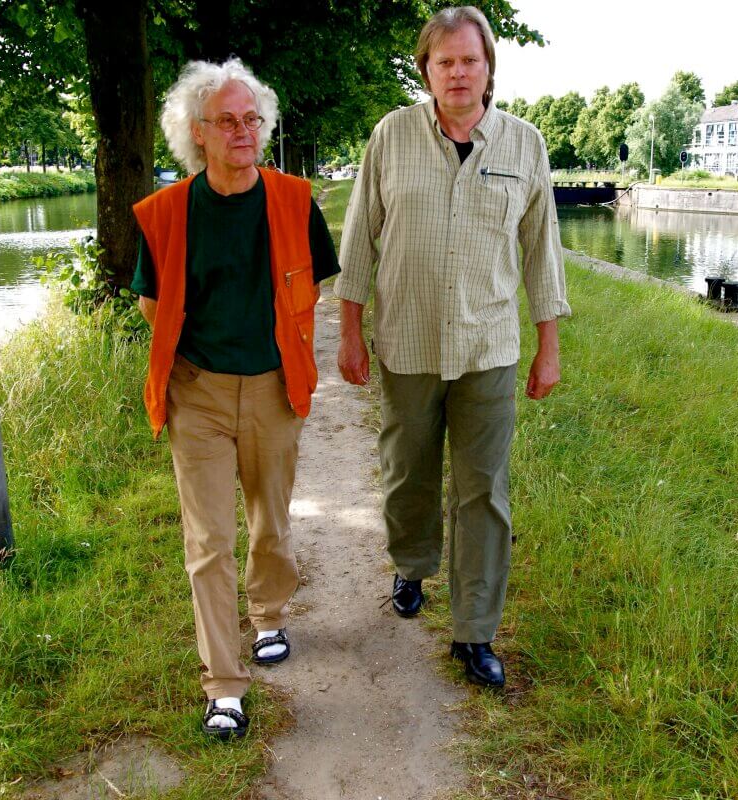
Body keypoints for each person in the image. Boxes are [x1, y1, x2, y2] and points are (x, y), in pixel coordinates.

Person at [335, 6, 569, 688]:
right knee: (407, 473)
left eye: (469, 60)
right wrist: (349, 331)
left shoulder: (523, 145)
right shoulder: (391, 136)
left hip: (487, 346)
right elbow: (358, 240)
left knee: (482, 492)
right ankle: (410, 565)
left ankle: (473, 631)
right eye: (445, 62)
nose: (458, 73)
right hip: (405, 343)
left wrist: (547, 347)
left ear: (488, 68)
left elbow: (541, 253)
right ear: (427, 71)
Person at [132, 59, 339, 738]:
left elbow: (318, 283)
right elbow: (149, 303)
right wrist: (202, 363)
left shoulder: (293, 199)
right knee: (207, 541)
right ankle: (224, 685)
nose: (244, 131)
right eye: (228, 120)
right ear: (197, 133)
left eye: (252, 119)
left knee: (270, 522)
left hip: (276, 385)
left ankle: (270, 615)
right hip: (199, 393)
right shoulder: (165, 213)